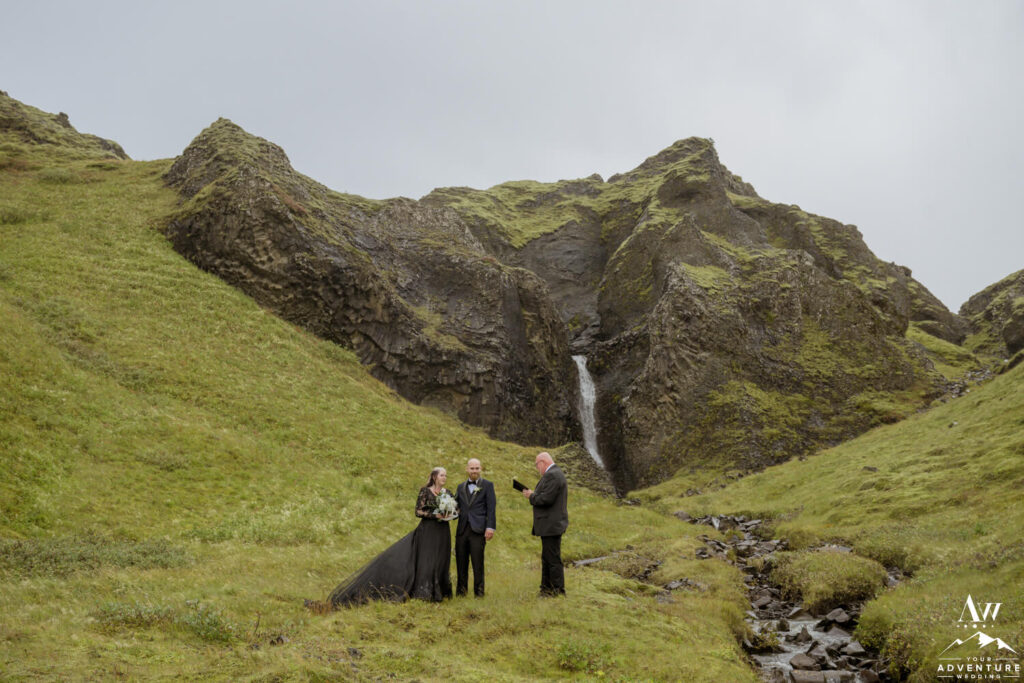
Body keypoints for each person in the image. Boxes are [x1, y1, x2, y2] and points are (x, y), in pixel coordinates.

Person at [319, 467, 456, 608]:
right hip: (427, 531)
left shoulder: (447, 493)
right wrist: (435, 515)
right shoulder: (425, 491)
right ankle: (424, 592)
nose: (444, 478)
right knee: (427, 559)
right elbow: (418, 511)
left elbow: (456, 511)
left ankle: (439, 591)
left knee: (440, 558)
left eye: (445, 475)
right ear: (434, 477)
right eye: (442, 475)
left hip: (442, 531)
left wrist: (449, 514)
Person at [521, 451, 568, 596]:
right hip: (550, 525)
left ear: (543, 462)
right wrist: (535, 494)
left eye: (537, 465)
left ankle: (557, 590)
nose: (537, 469)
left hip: (551, 525)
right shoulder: (555, 474)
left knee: (552, 559)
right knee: (548, 557)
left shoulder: (552, 475)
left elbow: (546, 499)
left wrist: (531, 496)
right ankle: (546, 588)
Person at [455, 458, 496, 597]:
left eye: (477, 468)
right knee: (461, 562)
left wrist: (490, 527)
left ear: (481, 469)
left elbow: (491, 508)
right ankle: (461, 593)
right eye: (472, 468)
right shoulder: (460, 487)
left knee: (478, 563)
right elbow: (456, 507)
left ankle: (479, 593)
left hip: (478, 530)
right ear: (467, 469)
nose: (474, 471)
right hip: (462, 530)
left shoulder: (488, 485)